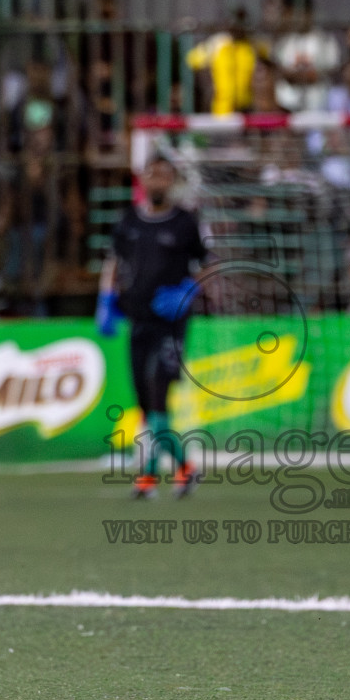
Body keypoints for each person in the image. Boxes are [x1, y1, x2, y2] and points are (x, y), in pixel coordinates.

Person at [96, 157, 206, 499]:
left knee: (159, 399)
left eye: (163, 175)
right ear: (143, 179)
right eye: (151, 174)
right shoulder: (129, 222)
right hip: (138, 322)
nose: (156, 181)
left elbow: (204, 265)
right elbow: (114, 262)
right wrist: (105, 300)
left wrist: (187, 292)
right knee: (146, 407)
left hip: (170, 327)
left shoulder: (185, 223)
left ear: (172, 181)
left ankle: (152, 475)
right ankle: (180, 470)